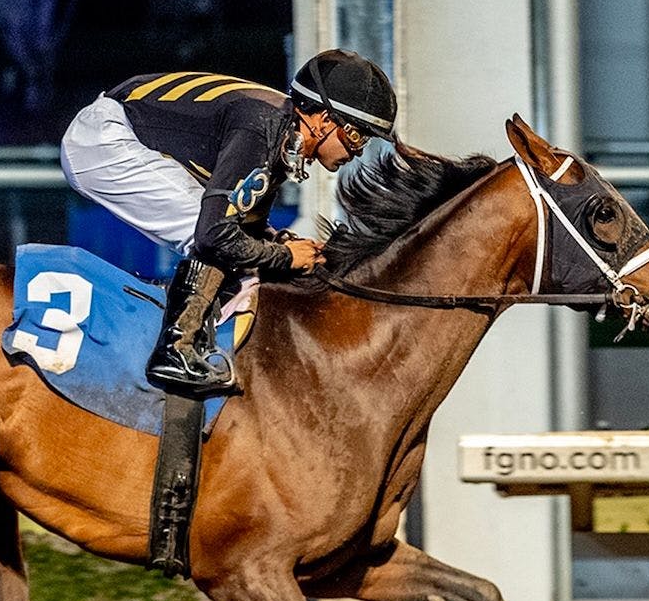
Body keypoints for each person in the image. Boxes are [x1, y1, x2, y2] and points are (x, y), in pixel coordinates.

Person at [60, 49, 398, 398]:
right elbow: (214, 236)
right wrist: (286, 256)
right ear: (324, 120)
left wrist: (279, 241)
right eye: (357, 136)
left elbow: (246, 225)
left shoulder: (281, 132)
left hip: (120, 129)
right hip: (101, 139)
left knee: (231, 236)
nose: (357, 151)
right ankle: (175, 350)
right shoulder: (261, 128)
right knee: (210, 231)